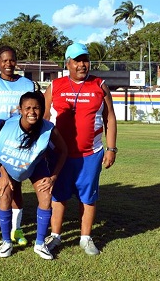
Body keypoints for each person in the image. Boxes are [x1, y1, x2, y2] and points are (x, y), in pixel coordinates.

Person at [43, 43, 117, 256]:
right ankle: (56, 236)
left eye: (85, 59)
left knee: (88, 196)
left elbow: (109, 117)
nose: (82, 64)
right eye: (77, 60)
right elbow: (45, 117)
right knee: (58, 196)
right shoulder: (56, 86)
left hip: (91, 154)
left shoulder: (99, 85)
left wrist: (111, 148)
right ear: (68, 63)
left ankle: (85, 238)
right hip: (59, 154)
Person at [0, 91, 67, 259]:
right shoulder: (7, 125)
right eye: (28, 108)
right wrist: (3, 174)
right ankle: (6, 242)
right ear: (20, 109)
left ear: (42, 109)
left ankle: (40, 244)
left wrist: (53, 177)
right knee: (5, 195)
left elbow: (64, 151)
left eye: (36, 108)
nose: (32, 112)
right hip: (8, 165)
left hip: (35, 164)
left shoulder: (49, 128)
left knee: (46, 196)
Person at [0, 45, 36, 246]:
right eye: (4, 60)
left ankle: (17, 229)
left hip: (18, 142)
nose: (8, 64)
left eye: (12, 60)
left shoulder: (27, 84)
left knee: (15, 186)